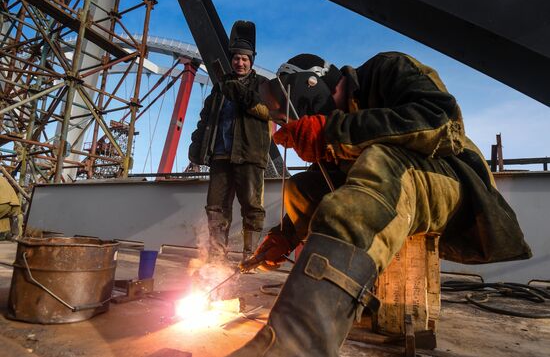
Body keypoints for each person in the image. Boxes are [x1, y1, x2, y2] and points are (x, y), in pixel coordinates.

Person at [227, 52, 531, 356]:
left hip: (456, 179)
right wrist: (286, 234)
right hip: (395, 183)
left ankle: (297, 343)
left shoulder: (389, 68)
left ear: (309, 86)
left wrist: (333, 131)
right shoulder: (342, 123)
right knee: (301, 187)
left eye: (288, 116)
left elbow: (445, 123)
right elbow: (323, 187)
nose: (289, 123)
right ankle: (346, 295)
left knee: (379, 161)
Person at [188, 21, 271, 263]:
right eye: (236, 58)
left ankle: (250, 256)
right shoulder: (219, 88)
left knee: (252, 208)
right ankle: (217, 257)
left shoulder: (262, 86)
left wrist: (238, 91)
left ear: (251, 61)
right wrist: (197, 146)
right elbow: (205, 120)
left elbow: (266, 111)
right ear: (231, 60)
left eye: (245, 59)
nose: (240, 62)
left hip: (249, 156)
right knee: (216, 208)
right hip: (220, 156)